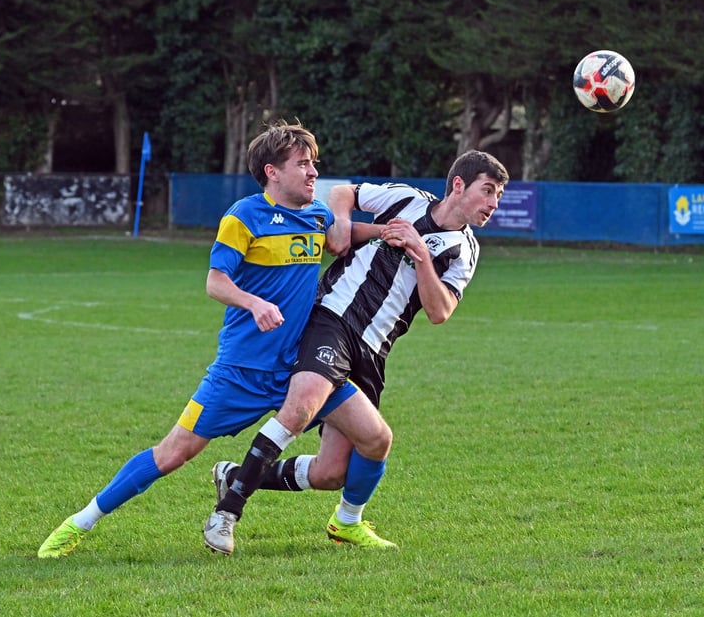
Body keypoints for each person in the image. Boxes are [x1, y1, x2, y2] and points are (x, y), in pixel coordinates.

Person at [37, 120, 366, 558]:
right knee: (173, 453)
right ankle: (79, 522)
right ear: (272, 172)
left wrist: (400, 234)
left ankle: (350, 523)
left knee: (374, 436)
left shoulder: (316, 215)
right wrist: (254, 303)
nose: (313, 173)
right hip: (241, 371)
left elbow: (343, 237)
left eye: (314, 165)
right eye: (302, 164)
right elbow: (215, 282)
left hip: (303, 370)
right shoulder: (243, 216)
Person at [203, 149, 509, 555]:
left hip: (373, 349)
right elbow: (344, 193)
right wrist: (344, 224)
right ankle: (227, 512)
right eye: (488, 191)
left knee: (350, 460)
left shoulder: (464, 251)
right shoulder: (407, 199)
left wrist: (419, 254)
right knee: (299, 409)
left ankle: (336, 518)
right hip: (332, 319)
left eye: (499, 196)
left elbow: (440, 311)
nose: (493, 204)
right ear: (458, 184)